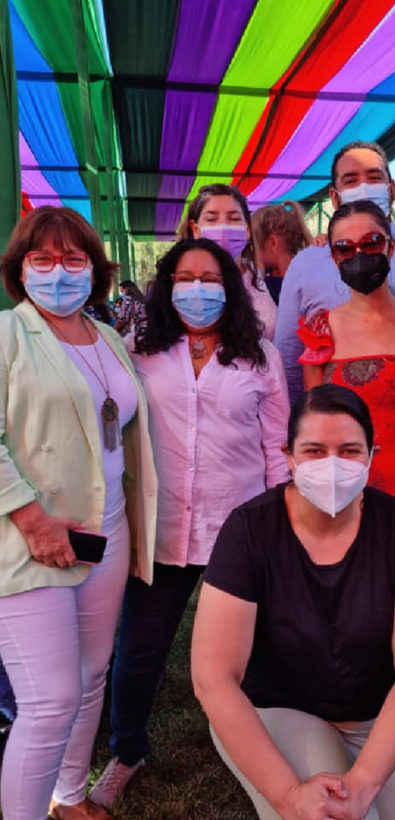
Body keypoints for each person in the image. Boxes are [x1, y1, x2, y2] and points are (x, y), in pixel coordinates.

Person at [88, 237, 290, 809]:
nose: (197, 289)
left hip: (241, 528)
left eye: (210, 278)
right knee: (139, 650)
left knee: (258, 650)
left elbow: (277, 445)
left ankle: (266, 747)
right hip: (165, 528)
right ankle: (127, 751)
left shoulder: (260, 357)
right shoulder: (138, 350)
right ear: (167, 285)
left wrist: (282, 521)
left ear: (230, 286)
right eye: (185, 278)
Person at [191, 384, 395, 820]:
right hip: (276, 711)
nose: (331, 464)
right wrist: (289, 796)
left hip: (372, 717)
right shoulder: (249, 531)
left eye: (349, 450)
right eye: (314, 451)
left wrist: (364, 783)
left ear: (371, 455)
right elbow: (213, 677)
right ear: (288, 457)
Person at [0, 207, 157, 820]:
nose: (58, 270)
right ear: (20, 269)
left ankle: (69, 797)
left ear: (94, 270)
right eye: (42, 258)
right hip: (30, 539)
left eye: (73, 258)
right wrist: (31, 519)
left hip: (106, 529)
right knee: (50, 700)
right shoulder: (8, 334)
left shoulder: (106, 336)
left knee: (92, 675)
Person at [298, 199, 395, 738]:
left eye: (371, 243)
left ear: (390, 246)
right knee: (350, 600)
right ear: (332, 255)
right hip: (345, 485)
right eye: (345, 247)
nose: (359, 255)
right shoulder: (319, 328)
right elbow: (313, 424)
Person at [274, 140, 395, 404]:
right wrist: (301, 420)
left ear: (391, 189)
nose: (364, 187)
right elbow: (288, 357)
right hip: (333, 420)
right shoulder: (306, 264)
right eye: (351, 181)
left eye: (374, 177)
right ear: (335, 197)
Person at [182, 183, 278, 341]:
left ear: (247, 229)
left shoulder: (256, 276)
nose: (223, 228)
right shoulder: (182, 285)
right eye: (211, 219)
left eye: (234, 219)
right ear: (195, 229)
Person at [251, 202, 313, 305]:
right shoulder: (264, 275)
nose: (252, 251)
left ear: (273, 243)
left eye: (254, 244)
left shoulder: (303, 282)